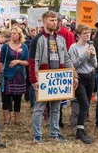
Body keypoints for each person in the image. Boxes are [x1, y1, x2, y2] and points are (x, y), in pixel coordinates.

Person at [29, 11, 77, 143]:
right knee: (39, 108)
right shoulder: (37, 39)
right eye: (51, 20)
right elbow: (33, 60)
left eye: (55, 20)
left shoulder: (60, 39)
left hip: (58, 79)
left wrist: (74, 75)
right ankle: (37, 135)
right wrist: (34, 80)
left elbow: (67, 58)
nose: (54, 23)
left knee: (56, 109)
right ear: (44, 21)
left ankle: (55, 133)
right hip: (43, 78)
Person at [68, 24, 97, 144]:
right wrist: (85, 54)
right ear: (78, 35)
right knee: (84, 104)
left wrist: (92, 56)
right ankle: (79, 130)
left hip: (90, 76)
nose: (87, 35)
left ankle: (81, 128)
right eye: (85, 33)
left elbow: (95, 65)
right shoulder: (73, 47)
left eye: (89, 33)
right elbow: (73, 64)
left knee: (87, 104)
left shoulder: (91, 46)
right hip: (79, 77)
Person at [0, 27, 29, 127]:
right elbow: (1, 60)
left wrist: (18, 62)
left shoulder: (24, 47)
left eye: (15, 33)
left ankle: (17, 120)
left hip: (19, 75)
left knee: (18, 98)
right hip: (8, 74)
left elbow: (28, 62)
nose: (13, 35)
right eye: (11, 33)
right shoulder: (5, 47)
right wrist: (0, 71)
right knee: (6, 98)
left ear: (19, 35)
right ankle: (6, 120)